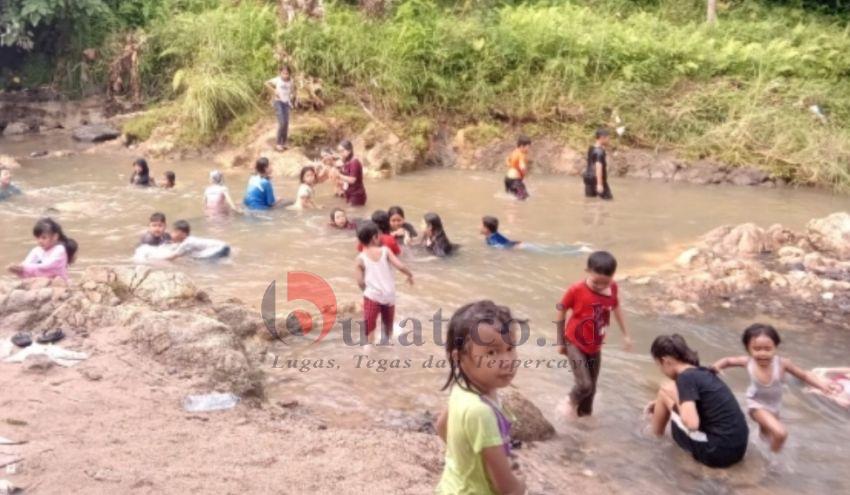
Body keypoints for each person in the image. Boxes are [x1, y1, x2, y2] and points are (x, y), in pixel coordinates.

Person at [435, 300, 526, 495]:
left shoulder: (462, 389)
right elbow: (508, 489)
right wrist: (521, 484)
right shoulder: (481, 412)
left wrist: (466, 459)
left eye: (510, 349)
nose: (507, 361)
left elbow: (441, 426)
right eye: (492, 352)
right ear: (458, 357)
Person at [712, 324, 843, 452]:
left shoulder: (782, 364)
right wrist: (715, 367)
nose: (763, 353)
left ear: (775, 347)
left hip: (774, 406)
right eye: (757, 349)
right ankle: (774, 461)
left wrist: (821, 385)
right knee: (781, 433)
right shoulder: (748, 362)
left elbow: (803, 375)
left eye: (767, 349)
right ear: (748, 349)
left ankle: (758, 451)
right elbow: (728, 361)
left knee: (766, 436)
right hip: (755, 404)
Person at [647, 334, 749, 468]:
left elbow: (692, 424)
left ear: (665, 361)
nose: (661, 370)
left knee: (664, 390)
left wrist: (675, 399)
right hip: (738, 448)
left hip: (716, 452)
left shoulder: (685, 378)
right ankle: (655, 426)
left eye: (658, 365)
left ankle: (653, 438)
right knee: (666, 393)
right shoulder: (701, 372)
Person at [555, 251, 632, 417]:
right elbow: (561, 311)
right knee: (584, 385)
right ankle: (568, 402)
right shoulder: (576, 290)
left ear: (612, 277)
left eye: (605, 282)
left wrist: (625, 334)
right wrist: (560, 341)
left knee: (591, 391)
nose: (600, 286)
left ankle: (582, 422)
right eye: (596, 282)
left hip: (595, 345)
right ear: (587, 271)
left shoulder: (612, 288)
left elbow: (616, 307)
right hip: (574, 341)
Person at [355, 221, 413, 344]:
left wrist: (366, 291)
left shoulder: (360, 258)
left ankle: (369, 351)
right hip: (389, 295)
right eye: (379, 235)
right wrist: (410, 275)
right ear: (374, 238)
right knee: (388, 326)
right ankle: (387, 343)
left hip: (372, 296)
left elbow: (360, 281)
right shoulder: (385, 251)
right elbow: (400, 266)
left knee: (370, 327)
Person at [7, 218, 77, 281]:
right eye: (38, 238)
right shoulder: (37, 250)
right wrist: (18, 269)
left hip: (59, 285)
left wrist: (23, 268)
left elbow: (46, 267)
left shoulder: (59, 250)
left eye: (44, 238)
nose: (40, 241)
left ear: (55, 237)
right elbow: (27, 263)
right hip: (41, 283)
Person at [163, 220, 230, 260]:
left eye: (174, 232)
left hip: (219, 249)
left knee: (205, 265)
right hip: (223, 246)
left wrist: (157, 261)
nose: (171, 234)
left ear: (183, 234)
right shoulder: (190, 240)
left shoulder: (187, 243)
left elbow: (172, 257)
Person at [265, 65, 294, 152]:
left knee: (286, 123)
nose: (285, 75)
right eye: (283, 73)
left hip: (286, 103)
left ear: (289, 74)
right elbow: (266, 83)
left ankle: (284, 142)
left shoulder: (291, 81)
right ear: (280, 73)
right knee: (281, 122)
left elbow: (292, 90)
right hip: (278, 102)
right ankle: (278, 143)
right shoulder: (277, 80)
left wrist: (291, 99)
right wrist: (273, 91)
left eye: (287, 73)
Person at [584, 128, 612, 200]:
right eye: (608, 138)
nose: (609, 140)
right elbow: (598, 166)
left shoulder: (591, 148)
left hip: (588, 178)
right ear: (602, 138)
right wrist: (599, 184)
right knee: (608, 200)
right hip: (597, 179)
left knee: (590, 200)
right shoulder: (599, 151)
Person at [337, 140, 367, 207]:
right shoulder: (346, 162)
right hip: (349, 193)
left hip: (357, 194)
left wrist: (338, 175)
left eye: (342, 151)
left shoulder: (354, 162)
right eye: (339, 151)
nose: (340, 153)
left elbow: (352, 180)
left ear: (349, 150)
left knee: (352, 215)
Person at [504, 135, 531, 200]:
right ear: (522, 146)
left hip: (507, 179)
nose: (529, 149)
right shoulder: (521, 154)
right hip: (515, 181)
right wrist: (524, 171)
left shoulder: (514, 152)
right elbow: (522, 166)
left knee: (515, 198)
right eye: (528, 147)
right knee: (523, 199)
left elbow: (507, 160)